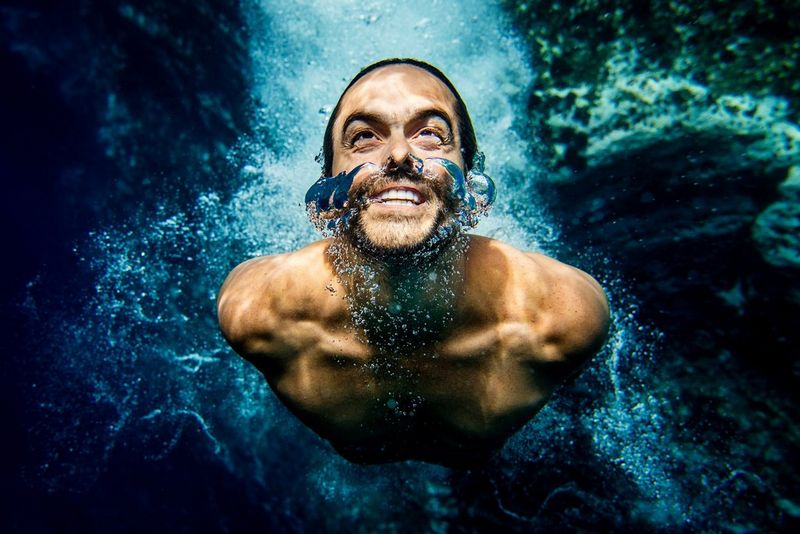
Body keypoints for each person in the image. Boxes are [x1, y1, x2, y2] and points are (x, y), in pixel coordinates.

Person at [217, 58, 609, 467]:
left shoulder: (562, 320)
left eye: (431, 135)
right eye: (364, 137)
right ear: (327, 180)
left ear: (470, 176)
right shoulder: (259, 314)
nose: (400, 153)